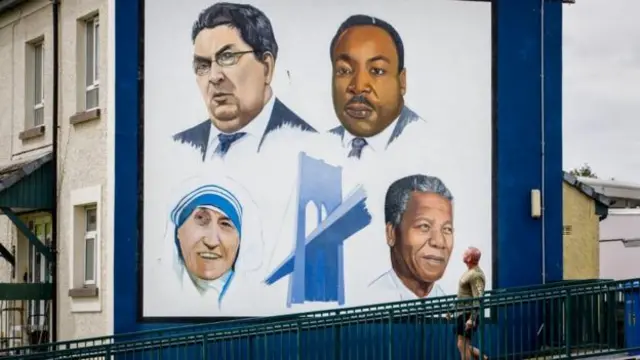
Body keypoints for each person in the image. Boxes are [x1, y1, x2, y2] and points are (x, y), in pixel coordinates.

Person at [173, 2, 316, 161]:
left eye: (227, 57)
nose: (214, 76)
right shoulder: (178, 147)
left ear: (266, 67)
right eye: (203, 65)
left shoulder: (311, 148)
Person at [327, 15, 426, 160]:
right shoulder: (316, 147)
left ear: (402, 81)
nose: (359, 87)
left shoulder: (429, 145)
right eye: (344, 71)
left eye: (377, 71)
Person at [368, 174, 453, 300]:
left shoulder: (452, 309)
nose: (439, 242)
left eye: (447, 229)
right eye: (424, 226)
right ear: (391, 234)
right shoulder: (370, 301)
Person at [449, 246, 488, 360]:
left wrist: (472, 318)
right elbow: (462, 295)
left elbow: (478, 297)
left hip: (468, 313)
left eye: (465, 253)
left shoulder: (476, 275)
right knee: (462, 344)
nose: (463, 254)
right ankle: (484, 358)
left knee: (462, 345)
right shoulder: (470, 272)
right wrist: (451, 310)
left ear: (470, 258)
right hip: (463, 313)